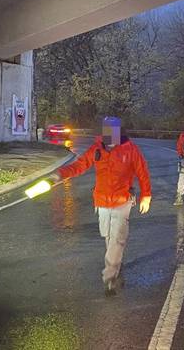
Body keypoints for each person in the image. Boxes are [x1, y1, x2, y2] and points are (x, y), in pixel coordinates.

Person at [50, 117, 151, 294]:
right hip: (102, 201)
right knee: (108, 237)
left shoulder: (131, 150)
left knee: (118, 237)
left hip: (122, 200)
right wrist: (60, 174)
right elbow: (79, 166)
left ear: (119, 132)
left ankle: (110, 276)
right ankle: (116, 264)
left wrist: (146, 196)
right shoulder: (97, 149)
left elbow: (143, 173)